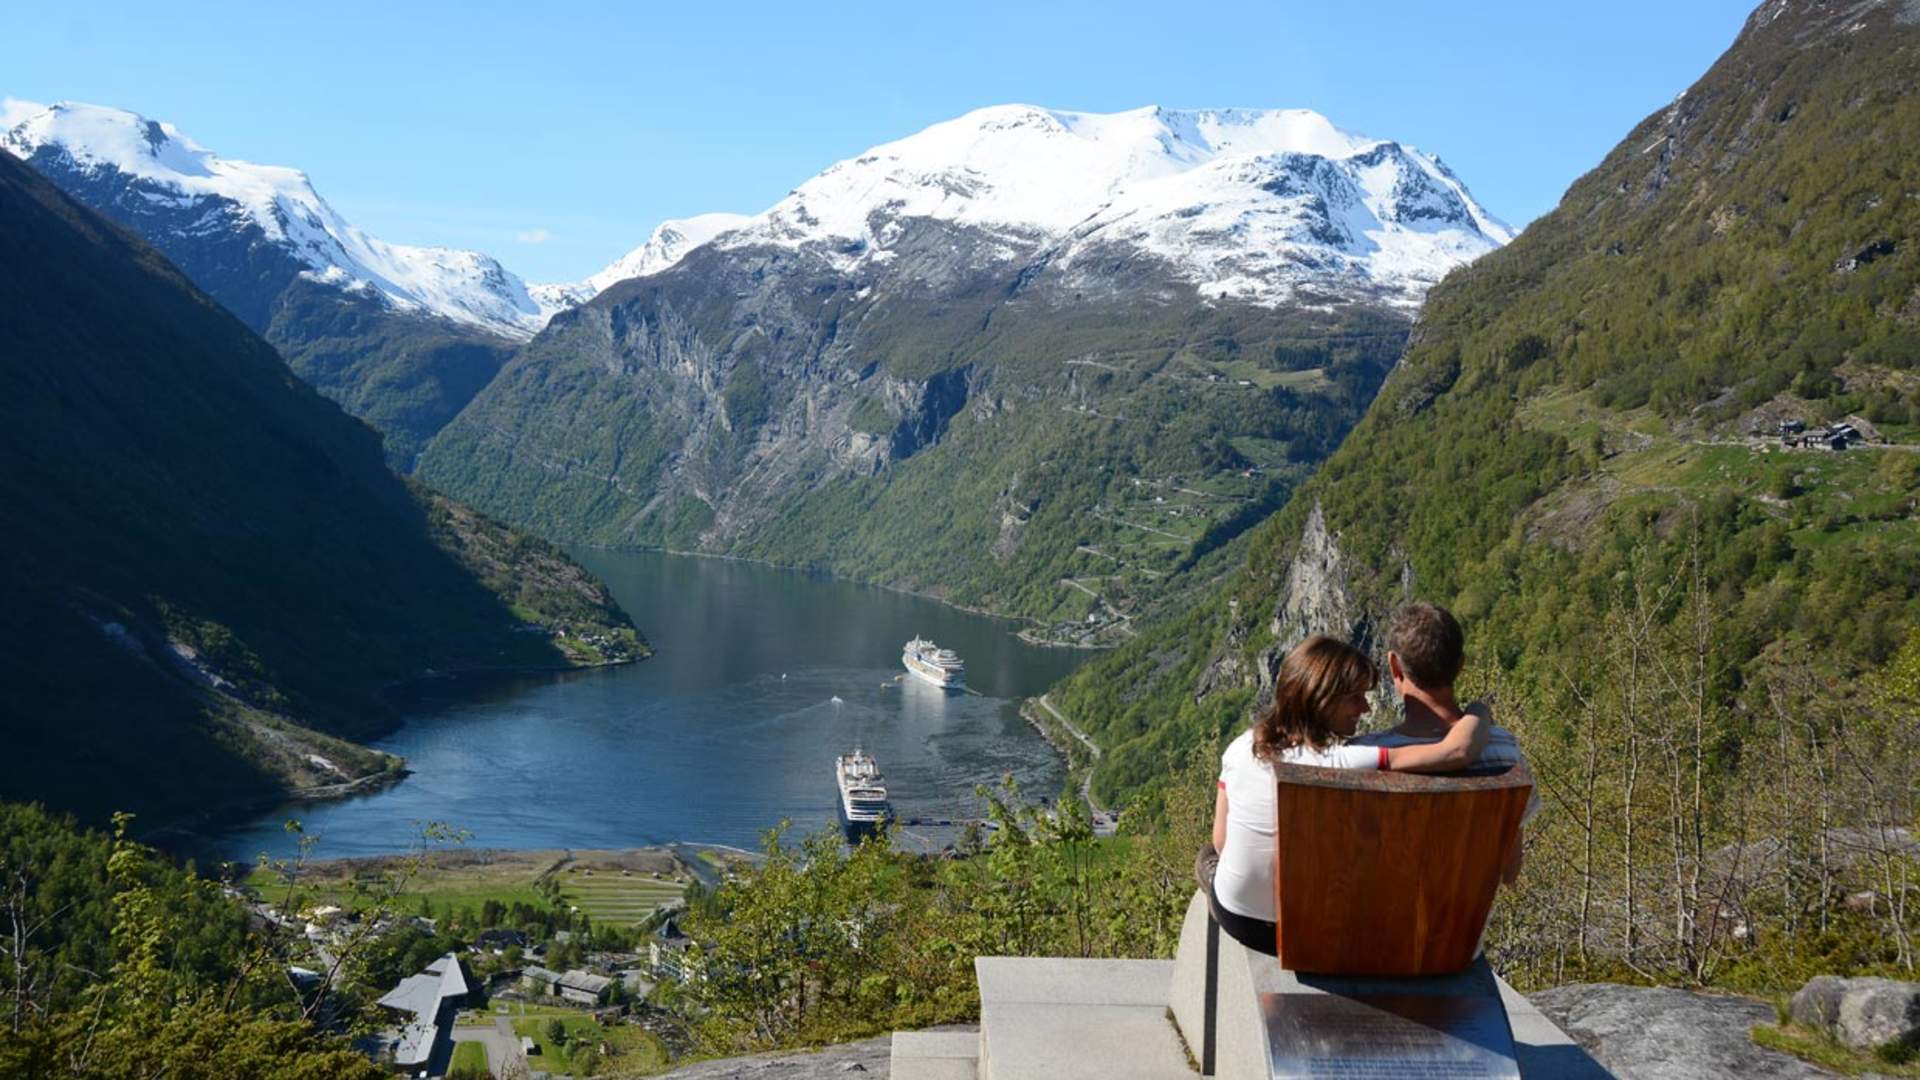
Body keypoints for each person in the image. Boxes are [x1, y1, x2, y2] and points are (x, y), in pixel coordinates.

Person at [1199, 634, 1491, 955]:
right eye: (1355, 698)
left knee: (1206, 857)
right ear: (1322, 698)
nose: (1365, 708)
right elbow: (1458, 750)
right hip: (1316, 929)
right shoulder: (1346, 762)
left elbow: (1221, 841)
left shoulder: (1242, 747)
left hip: (1242, 922)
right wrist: (1479, 709)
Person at [1351, 602, 1540, 886]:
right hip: (1466, 926)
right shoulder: (1505, 750)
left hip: (1382, 922)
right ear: (1460, 666)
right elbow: (1508, 872)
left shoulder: (1362, 758)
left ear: (1394, 665)